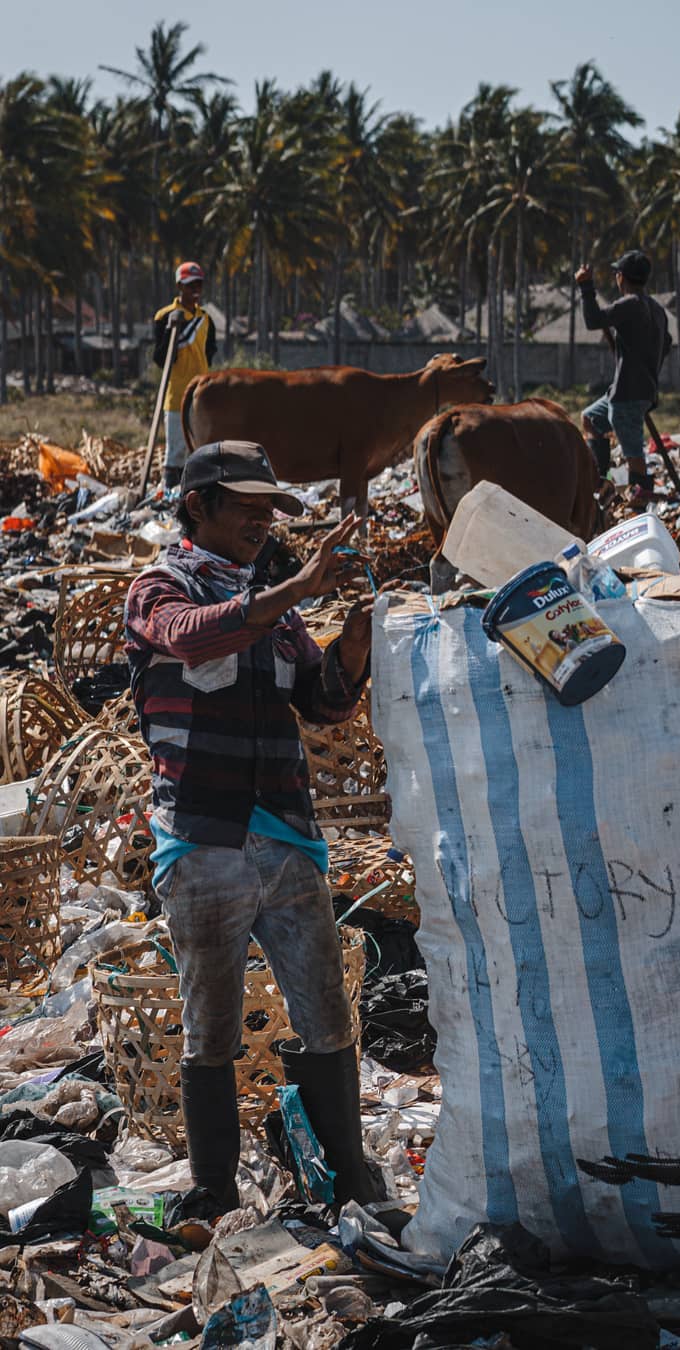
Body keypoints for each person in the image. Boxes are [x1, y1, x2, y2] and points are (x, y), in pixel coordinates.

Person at [124, 440, 380, 1212]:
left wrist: (353, 649)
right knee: (212, 1026)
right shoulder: (157, 590)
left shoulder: (274, 605)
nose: (263, 524)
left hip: (287, 840)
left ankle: (350, 1178)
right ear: (197, 505)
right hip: (204, 840)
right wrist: (294, 587)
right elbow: (195, 636)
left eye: (271, 510)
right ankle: (213, 1191)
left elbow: (322, 700)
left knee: (327, 1015)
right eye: (248, 507)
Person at [575, 250, 672, 497]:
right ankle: (601, 481)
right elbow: (667, 344)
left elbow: (593, 319)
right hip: (636, 391)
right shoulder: (657, 310)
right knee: (591, 419)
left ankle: (641, 501)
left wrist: (586, 287)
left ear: (621, 277)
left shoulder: (629, 305)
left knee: (633, 453)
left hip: (628, 394)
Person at [153, 262, 217, 491]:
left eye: (199, 285)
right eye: (191, 285)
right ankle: (172, 495)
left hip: (201, 396)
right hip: (177, 394)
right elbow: (160, 358)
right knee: (175, 452)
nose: (195, 290)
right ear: (180, 285)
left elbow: (210, 353)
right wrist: (174, 331)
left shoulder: (206, 319)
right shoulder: (164, 316)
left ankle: (194, 494)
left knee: (199, 450)